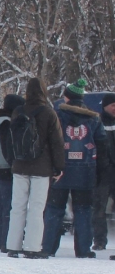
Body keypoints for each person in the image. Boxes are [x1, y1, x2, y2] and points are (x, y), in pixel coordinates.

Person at [41, 79, 103, 258]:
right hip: (86, 171)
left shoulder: (57, 116)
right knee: (83, 210)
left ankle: (48, 247)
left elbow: (50, 142)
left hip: (60, 170)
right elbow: (102, 144)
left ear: (67, 98)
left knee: (54, 209)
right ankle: (83, 249)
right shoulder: (93, 118)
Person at [7, 77, 65, 258]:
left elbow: (11, 140)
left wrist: (13, 162)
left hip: (20, 166)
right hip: (41, 168)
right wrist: (59, 167)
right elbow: (56, 142)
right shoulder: (48, 113)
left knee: (17, 207)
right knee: (37, 208)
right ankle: (32, 247)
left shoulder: (17, 111)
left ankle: (13, 246)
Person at [0, 94, 23, 251]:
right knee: (8, 205)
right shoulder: (6, 123)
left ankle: (0, 239)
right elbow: (7, 146)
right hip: (5, 168)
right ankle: (5, 240)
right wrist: (13, 163)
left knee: (2, 205)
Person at [92, 93, 115, 252]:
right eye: (113, 105)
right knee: (98, 208)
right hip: (102, 172)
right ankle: (99, 241)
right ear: (105, 106)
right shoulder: (97, 121)